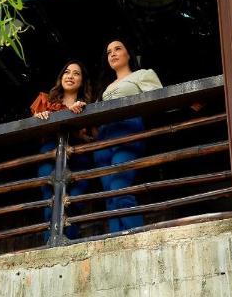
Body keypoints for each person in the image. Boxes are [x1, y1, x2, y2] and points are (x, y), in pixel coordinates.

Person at [95, 38, 162, 232]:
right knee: (109, 194)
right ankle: (116, 238)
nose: (113, 54)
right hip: (103, 139)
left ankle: (134, 236)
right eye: (109, 52)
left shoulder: (142, 75)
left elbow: (158, 99)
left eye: (118, 49)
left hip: (126, 131)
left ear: (128, 54)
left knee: (120, 186)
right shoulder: (105, 88)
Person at [30, 61, 93, 239]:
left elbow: (92, 136)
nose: (70, 76)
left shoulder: (86, 105)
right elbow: (33, 129)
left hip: (78, 156)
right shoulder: (45, 102)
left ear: (82, 81)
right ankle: (49, 244)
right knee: (49, 200)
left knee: (74, 202)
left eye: (76, 73)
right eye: (67, 72)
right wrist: (40, 117)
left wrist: (74, 116)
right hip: (49, 152)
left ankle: (68, 241)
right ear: (61, 77)